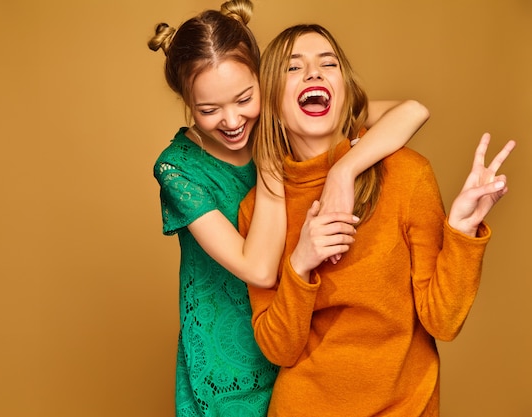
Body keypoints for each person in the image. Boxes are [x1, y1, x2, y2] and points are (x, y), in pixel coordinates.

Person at [148, 1, 429, 415]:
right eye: (208, 110)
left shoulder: (282, 115)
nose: (231, 120)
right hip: (228, 360)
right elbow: (260, 268)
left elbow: (412, 111)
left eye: (244, 98)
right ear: (187, 102)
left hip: (301, 344)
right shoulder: (178, 169)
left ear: (263, 80)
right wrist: (270, 159)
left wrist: (343, 171)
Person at [238, 23, 516, 417]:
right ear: (271, 106)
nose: (313, 73)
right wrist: (301, 263)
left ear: (347, 93)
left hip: (405, 407)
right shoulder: (259, 208)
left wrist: (462, 232)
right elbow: (278, 348)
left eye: (327, 63)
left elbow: (443, 322)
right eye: (292, 67)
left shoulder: (407, 174)